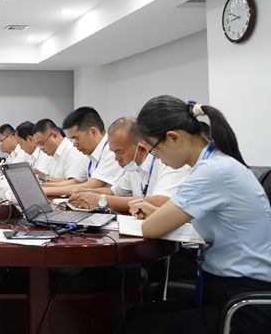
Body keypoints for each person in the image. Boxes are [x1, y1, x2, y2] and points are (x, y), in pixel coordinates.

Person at [117, 96, 271, 334]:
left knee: (134, 327)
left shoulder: (212, 171)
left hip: (244, 305)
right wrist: (158, 213)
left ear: (173, 137)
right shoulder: (216, 162)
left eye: (155, 150)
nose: (159, 159)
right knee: (135, 315)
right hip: (231, 291)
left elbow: (150, 229)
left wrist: (156, 218)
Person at [68, 116, 189, 212]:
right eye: (114, 152)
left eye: (119, 152)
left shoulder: (169, 161)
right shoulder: (134, 165)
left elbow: (161, 201)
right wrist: (87, 192)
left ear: (141, 148)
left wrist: (102, 200)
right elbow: (115, 192)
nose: (116, 159)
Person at [42, 107, 124, 197]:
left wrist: (44, 191)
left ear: (93, 132)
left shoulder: (110, 149)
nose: (74, 144)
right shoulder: (90, 153)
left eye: (76, 138)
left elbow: (91, 186)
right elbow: (75, 182)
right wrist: (44, 187)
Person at [31, 119, 87, 183]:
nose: (41, 148)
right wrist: (36, 176)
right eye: (38, 145)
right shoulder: (53, 153)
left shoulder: (73, 151)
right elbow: (50, 177)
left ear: (54, 136)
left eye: (41, 143)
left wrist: (39, 178)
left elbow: (72, 182)